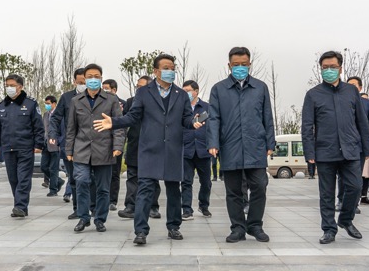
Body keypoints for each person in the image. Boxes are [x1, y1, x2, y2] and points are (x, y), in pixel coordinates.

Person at [94, 53, 202, 245]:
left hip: (173, 149)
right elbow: (133, 116)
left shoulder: (181, 95)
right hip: (150, 149)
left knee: (173, 190)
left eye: (172, 68)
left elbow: (185, 118)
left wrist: (193, 122)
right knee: (144, 190)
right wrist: (114, 122)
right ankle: (141, 231)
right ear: (156, 71)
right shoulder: (144, 93)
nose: (170, 71)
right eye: (166, 68)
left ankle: (174, 226)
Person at [301, 51, 369, 245]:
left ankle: (346, 220)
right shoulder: (313, 94)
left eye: (332, 67)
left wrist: (368, 150)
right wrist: (309, 153)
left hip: (351, 150)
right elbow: (307, 126)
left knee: (355, 187)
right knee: (326, 194)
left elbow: (362, 121)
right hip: (325, 151)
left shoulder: (351, 91)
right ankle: (329, 229)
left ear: (340, 69)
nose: (329, 70)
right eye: (325, 67)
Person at [207, 46, 275, 244]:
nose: (240, 67)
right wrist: (213, 142)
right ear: (229, 65)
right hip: (230, 146)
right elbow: (214, 118)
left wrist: (270, 141)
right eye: (236, 64)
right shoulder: (219, 89)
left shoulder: (260, 87)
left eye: (243, 64)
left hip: (256, 145)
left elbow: (267, 116)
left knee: (260, 186)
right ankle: (237, 228)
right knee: (233, 191)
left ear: (249, 64)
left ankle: (255, 225)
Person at [65, 64, 125, 233]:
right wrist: (69, 150)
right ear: (84, 79)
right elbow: (71, 128)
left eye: (96, 76)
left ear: (101, 78)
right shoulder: (76, 101)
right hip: (82, 149)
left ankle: (100, 218)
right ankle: (84, 217)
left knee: (103, 188)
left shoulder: (111, 100)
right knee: (82, 182)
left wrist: (118, 146)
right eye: (90, 76)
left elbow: (118, 125)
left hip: (104, 149)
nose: (93, 79)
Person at [0, 74, 44, 218]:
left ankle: (20, 206)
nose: (9, 88)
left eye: (12, 85)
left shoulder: (31, 104)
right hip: (8, 148)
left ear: (20, 87)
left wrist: (39, 144)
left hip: (25, 147)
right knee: (13, 179)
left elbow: (38, 126)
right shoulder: (1, 106)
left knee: (23, 178)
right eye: (7, 85)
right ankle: (21, 206)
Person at [117, 76, 162, 220]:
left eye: (141, 87)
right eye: (137, 86)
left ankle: (153, 207)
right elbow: (124, 122)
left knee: (152, 178)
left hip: (152, 146)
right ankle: (130, 206)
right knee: (132, 177)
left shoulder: (159, 102)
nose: (138, 89)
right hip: (134, 145)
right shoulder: (131, 102)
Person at [49, 68, 86, 218]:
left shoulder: (97, 97)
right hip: (70, 145)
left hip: (90, 145)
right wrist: (53, 135)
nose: (83, 84)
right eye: (80, 82)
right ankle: (78, 209)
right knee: (74, 178)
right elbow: (55, 118)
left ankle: (93, 207)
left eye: (85, 81)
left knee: (89, 179)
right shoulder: (66, 98)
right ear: (74, 81)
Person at [335, 76, 369, 211]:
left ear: (360, 87)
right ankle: (341, 200)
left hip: (359, 146)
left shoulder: (367, 104)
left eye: (354, 85)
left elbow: (367, 124)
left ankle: (354, 203)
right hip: (345, 144)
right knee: (342, 176)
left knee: (356, 177)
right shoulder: (341, 100)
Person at [180, 80, 212, 220]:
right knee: (186, 181)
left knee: (206, 182)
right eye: (183, 91)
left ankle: (204, 205)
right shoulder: (181, 108)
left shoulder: (206, 107)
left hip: (203, 150)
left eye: (188, 91)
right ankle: (187, 209)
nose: (185, 93)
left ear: (196, 91)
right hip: (186, 150)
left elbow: (212, 127)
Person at [103, 78, 127, 211]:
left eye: (106, 88)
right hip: (102, 142)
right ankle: (102, 199)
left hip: (116, 142)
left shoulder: (124, 104)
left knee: (115, 173)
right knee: (102, 173)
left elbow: (127, 123)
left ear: (114, 90)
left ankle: (112, 200)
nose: (104, 90)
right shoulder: (100, 102)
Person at [41, 95, 65, 197]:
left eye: (48, 103)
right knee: (43, 166)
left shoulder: (60, 115)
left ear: (54, 103)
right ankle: (58, 181)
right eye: (45, 103)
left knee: (53, 168)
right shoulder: (45, 115)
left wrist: (59, 142)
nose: (47, 105)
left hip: (55, 145)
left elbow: (62, 130)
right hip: (46, 144)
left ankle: (53, 190)